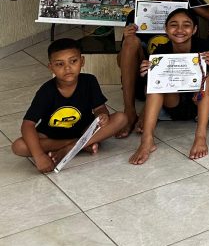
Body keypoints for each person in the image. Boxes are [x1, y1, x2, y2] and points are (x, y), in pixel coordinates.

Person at [13, 38, 127, 173]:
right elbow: (27, 124)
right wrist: (39, 156)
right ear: (51, 67)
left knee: (121, 118)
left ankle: (71, 148)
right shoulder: (46, 91)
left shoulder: (89, 81)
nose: (67, 68)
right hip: (52, 136)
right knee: (18, 146)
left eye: (73, 61)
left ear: (82, 61)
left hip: (84, 130)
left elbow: (99, 108)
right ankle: (79, 144)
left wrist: (102, 115)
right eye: (59, 64)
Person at [130, 8, 209, 165]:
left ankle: (200, 137)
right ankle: (147, 140)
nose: (179, 30)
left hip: (197, 105)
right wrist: (147, 71)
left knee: (208, 78)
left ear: (194, 30)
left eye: (186, 25)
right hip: (173, 104)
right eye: (174, 25)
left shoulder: (204, 46)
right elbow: (149, 88)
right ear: (166, 29)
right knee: (157, 81)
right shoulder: (160, 51)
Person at [116, 0, 182, 138]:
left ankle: (147, 110)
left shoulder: (184, 14)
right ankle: (129, 111)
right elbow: (120, 60)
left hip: (170, 78)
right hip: (141, 73)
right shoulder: (136, 14)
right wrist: (127, 37)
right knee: (131, 41)